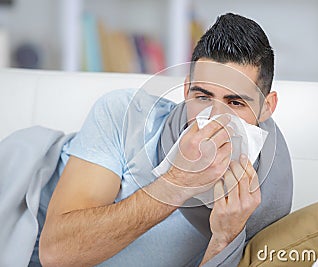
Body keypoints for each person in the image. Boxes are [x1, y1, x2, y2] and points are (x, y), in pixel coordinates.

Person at [31, 13, 293, 266]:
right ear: (186, 89)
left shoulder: (269, 195)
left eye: (235, 103)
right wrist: (177, 182)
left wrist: (224, 238)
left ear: (267, 106)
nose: (215, 117)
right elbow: (56, 253)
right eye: (202, 97)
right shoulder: (125, 115)